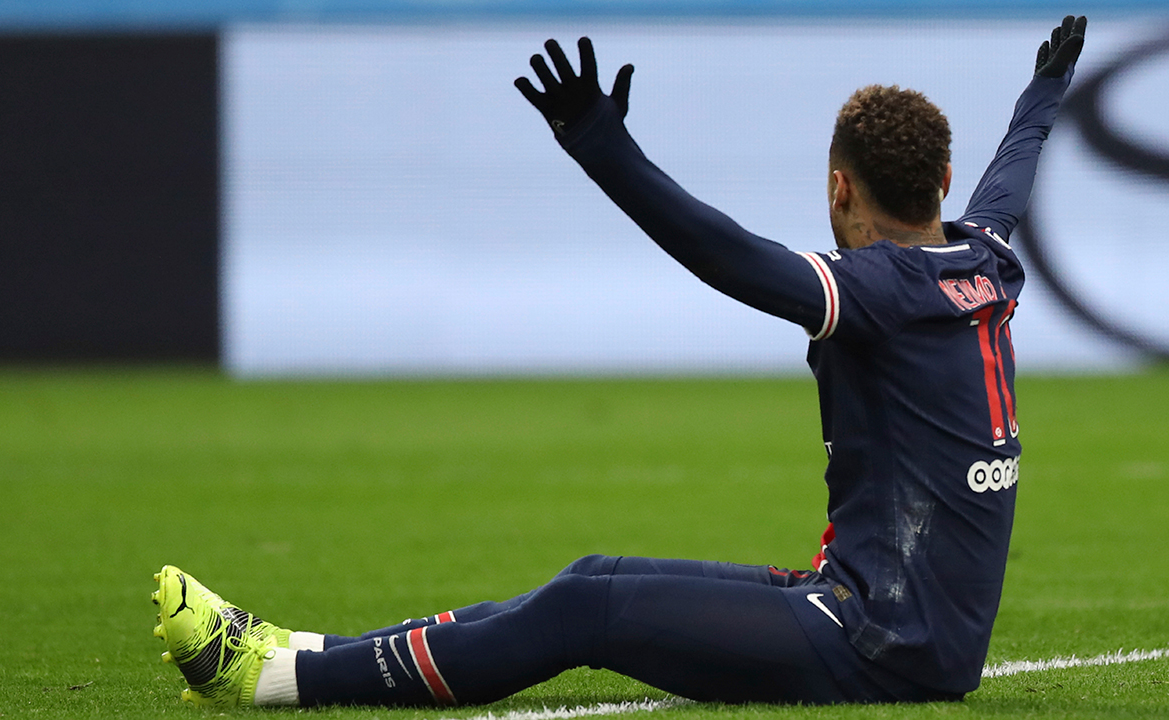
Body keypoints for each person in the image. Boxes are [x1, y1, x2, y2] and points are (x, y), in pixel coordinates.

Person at [150, 15, 1087, 708]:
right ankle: (313, 651)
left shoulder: (878, 290)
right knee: (590, 578)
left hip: (877, 637)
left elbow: (728, 255)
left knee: (580, 620)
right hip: (896, 618)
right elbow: (1017, 169)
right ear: (940, 186)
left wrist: (605, 151)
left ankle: (276, 678)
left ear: (841, 186)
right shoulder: (984, 258)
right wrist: (1041, 95)